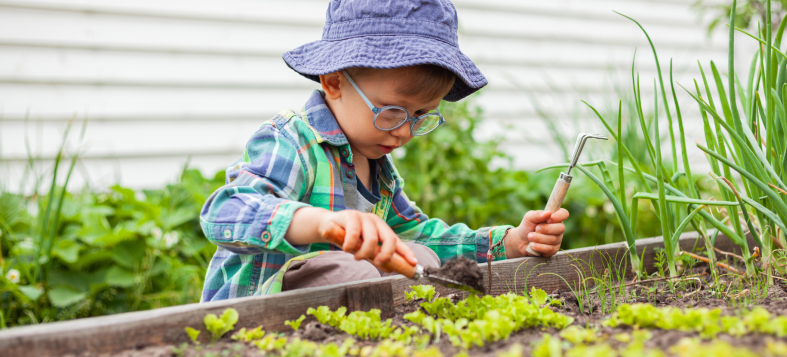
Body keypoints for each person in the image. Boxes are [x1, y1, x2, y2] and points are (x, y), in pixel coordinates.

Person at [199, 0, 569, 302]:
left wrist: (508, 242)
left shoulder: (378, 167)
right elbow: (223, 211)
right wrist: (322, 223)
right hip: (255, 313)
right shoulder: (291, 142)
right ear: (334, 82)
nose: (406, 131)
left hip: (342, 305)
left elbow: (421, 237)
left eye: (421, 115)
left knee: (418, 258)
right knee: (355, 274)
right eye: (392, 112)